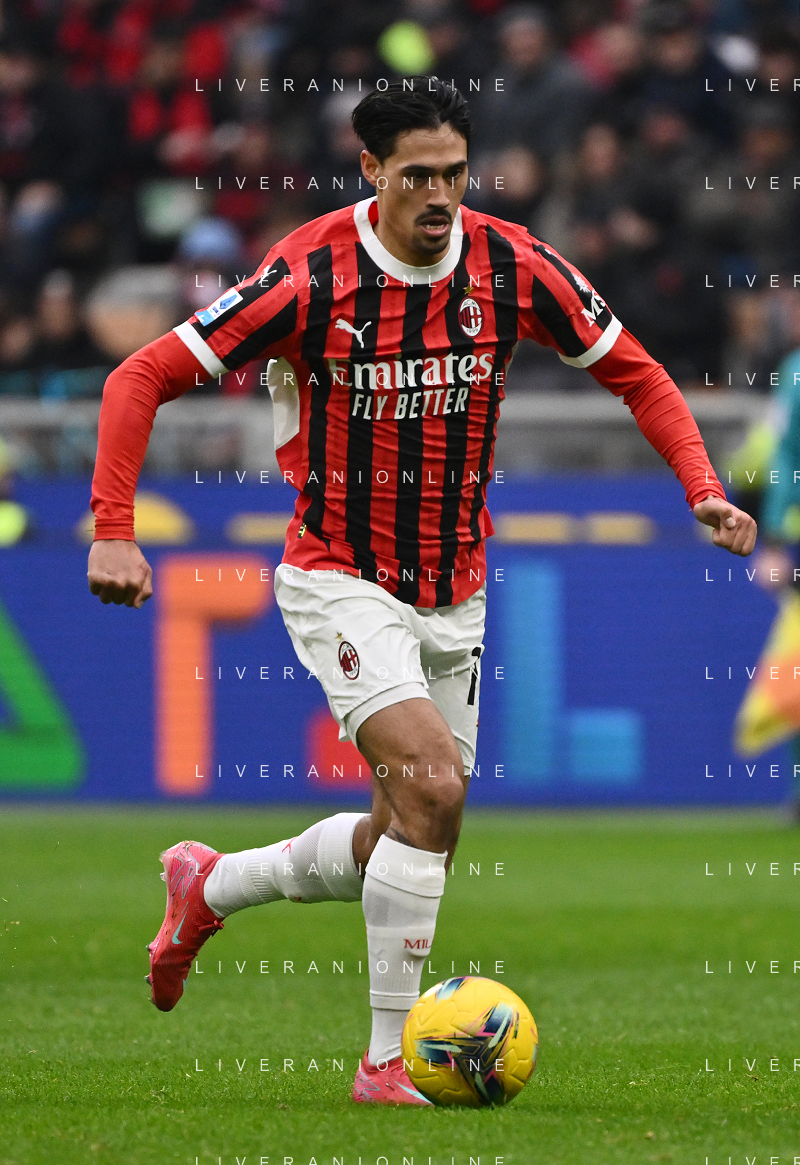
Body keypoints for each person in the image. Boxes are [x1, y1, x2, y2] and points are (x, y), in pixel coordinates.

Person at [86, 77, 757, 1106]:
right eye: (418, 176)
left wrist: (701, 486)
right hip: (339, 573)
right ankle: (384, 1064)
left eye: (455, 172)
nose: (441, 194)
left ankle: (210, 884)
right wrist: (114, 530)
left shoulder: (512, 263)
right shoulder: (307, 275)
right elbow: (138, 377)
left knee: (409, 829)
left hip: (457, 588)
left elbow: (636, 372)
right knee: (434, 786)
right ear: (371, 170)